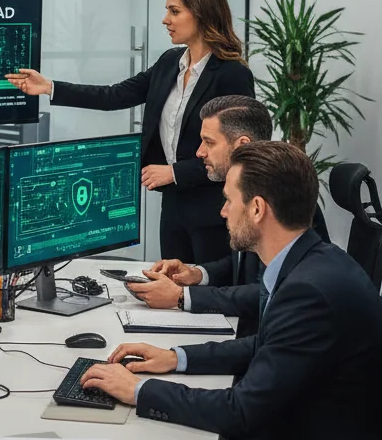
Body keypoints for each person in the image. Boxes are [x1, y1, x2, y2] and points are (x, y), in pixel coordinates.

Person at [81, 141, 382, 440]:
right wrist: (175, 358)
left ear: (258, 208)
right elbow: (265, 344)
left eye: (229, 198)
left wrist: (137, 391)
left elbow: (240, 413)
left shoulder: (308, 288)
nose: (221, 210)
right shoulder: (313, 261)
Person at [7, 0, 253, 263]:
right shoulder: (169, 63)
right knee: (172, 290)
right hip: (173, 206)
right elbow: (115, 95)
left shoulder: (232, 74)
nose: (165, 19)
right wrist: (49, 87)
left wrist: (174, 172)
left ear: (201, 13)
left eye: (174, 11)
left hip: (215, 209)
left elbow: (241, 152)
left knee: (211, 294)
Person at [129, 95, 330, 335]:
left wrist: (183, 297)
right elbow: (243, 263)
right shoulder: (249, 189)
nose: (199, 152)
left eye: (208, 142)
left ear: (241, 145)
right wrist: (197, 274)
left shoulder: (281, 197)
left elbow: (275, 289)